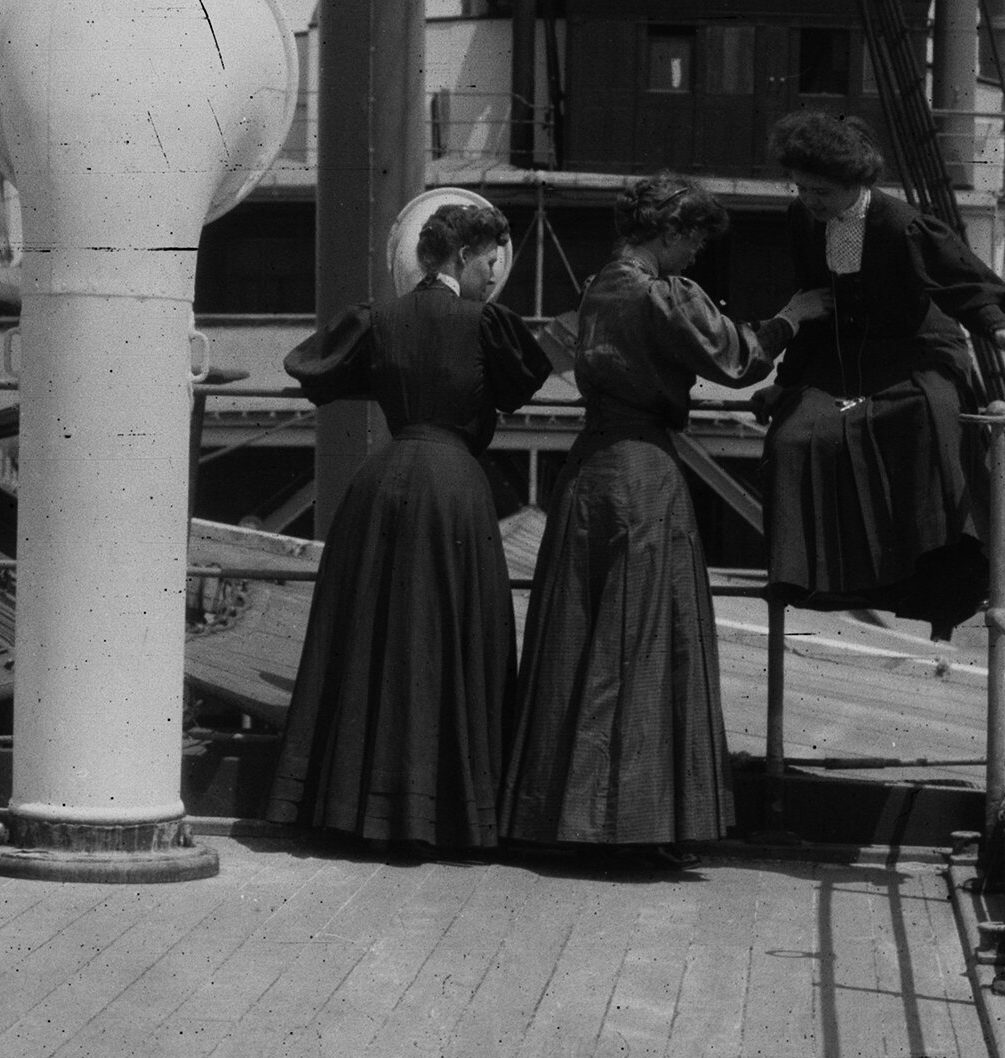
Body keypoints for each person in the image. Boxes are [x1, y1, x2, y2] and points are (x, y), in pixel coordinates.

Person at [499, 175, 819, 866]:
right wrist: (794, 315)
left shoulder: (599, 285)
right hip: (645, 476)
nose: (698, 255)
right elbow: (739, 359)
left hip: (589, 474)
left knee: (580, 641)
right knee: (643, 643)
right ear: (670, 231)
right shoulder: (662, 293)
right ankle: (631, 827)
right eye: (696, 240)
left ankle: (566, 819)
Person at [265, 199, 554, 851]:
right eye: (488, 264)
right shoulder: (488, 325)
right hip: (454, 491)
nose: (492, 277)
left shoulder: (379, 319)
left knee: (374, 636)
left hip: (385, 483)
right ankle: (447, 810)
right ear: (460, 258)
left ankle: (355, 804)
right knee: (451, 639)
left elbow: (312, 370)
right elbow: (524, 381)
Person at [757, 111, 1005, 640]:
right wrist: (786, 383)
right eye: (801, 188)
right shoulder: (802, 220)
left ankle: (926, 580)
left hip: (917, 349)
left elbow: (962, 281)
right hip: (838, 356)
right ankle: (814, 580)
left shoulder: (901, 225)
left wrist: (999, 330)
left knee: (925, 422)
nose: (808, 200)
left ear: (854, 184)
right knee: (793, 438)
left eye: (820, 191)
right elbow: (812, 305)